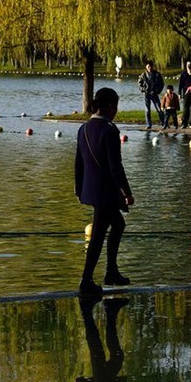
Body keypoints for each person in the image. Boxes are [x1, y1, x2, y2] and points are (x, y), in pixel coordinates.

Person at [74, 87, 135, 295]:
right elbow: (115, 167)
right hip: (106, 192)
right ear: (110, 106)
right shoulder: (109, 130)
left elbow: (79, 163)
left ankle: (110, 271)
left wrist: (79, 189)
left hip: (91, 190)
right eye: (116, 107)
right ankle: (88, 279)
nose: (116, 111)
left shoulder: (83, 129)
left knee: (117, 225)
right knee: (100, 234)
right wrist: (127, 192)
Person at [136, 62, 165, 129]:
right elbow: (139, 84)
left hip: (154, 94)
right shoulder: (143, 75)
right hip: (146, 94)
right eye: (148, 66)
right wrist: (143, 90)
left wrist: (157, 91)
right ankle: (149, 124)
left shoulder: (157, 74)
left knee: (159, 109)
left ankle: (164, 123)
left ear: (152, 66)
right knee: (147, 110)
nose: (150, 68)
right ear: (146, 67)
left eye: (151, 66)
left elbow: (161, 84)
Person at [177, 61, 191, 129]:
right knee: (185, 108)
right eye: (187, 65)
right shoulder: (184, 73)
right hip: (185, 93)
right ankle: (184, 123)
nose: (188, 67)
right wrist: (179, 93)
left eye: (189, 65)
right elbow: (180, 84)